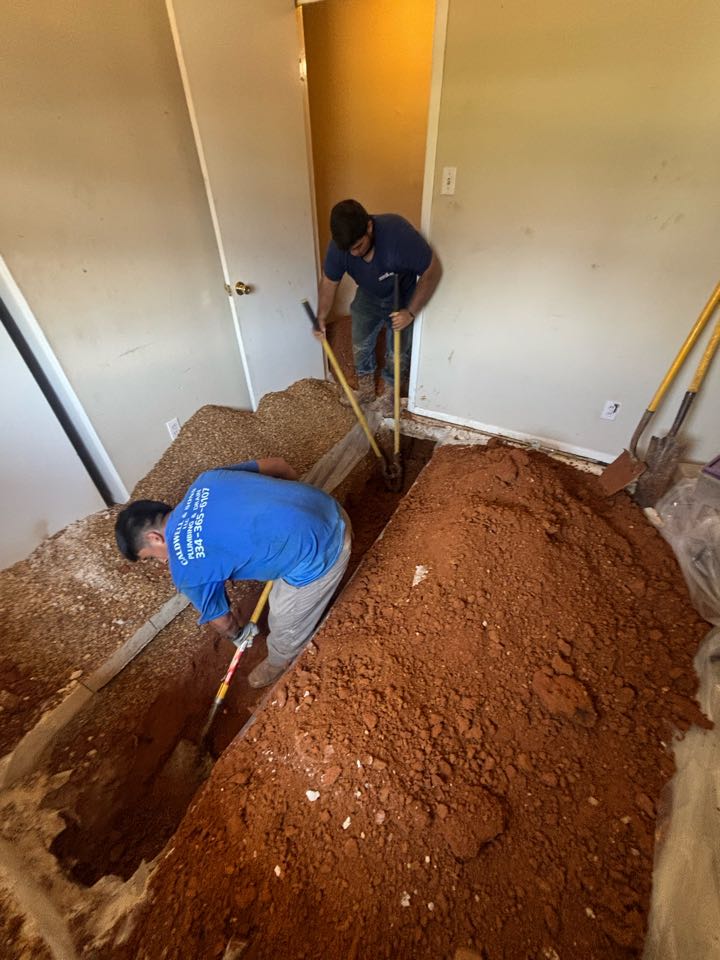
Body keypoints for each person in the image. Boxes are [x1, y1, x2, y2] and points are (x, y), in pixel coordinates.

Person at [114, 458, 351, 689]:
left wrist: (238, 634)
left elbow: (223, 621)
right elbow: (279, 465)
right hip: (328, 505)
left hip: (327, 550)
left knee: (281, 617)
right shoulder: (206, 480)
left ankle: (280, 660)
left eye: (153, 556)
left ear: (155, 538)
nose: (163, 560)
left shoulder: (185, 567)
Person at [314, 199, 442, 410]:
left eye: (358, 246)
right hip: (369, 292)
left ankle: (391, 393)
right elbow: (329, 282)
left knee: (397, 349)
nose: (354, 253)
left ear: (369, 227)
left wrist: (410, 312)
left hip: (402, 295)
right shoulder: (340, 248)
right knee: (360, 341)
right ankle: (365, 390)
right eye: (349, 250)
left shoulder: (399, 235)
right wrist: (320, 318)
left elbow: (432, 270)